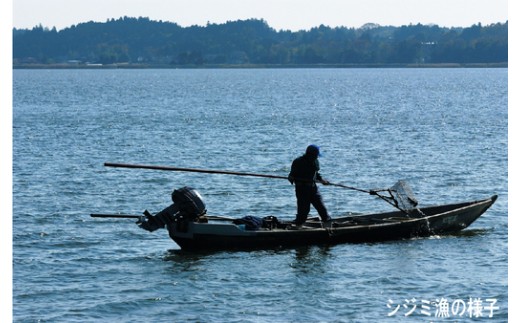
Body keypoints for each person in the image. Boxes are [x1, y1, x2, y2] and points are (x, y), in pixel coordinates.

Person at [288, 144, 332, 226]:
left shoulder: (315, 161)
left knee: (321, 208)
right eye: (315, 155)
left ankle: (329, 225)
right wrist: (292, 178)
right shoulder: (298, 162)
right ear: (309, 154)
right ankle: (298, 226)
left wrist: (322, 180)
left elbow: (316, 174)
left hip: (313, 189)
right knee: (304, 211)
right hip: (302, 190)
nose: (317, 157)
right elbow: (291, 176)